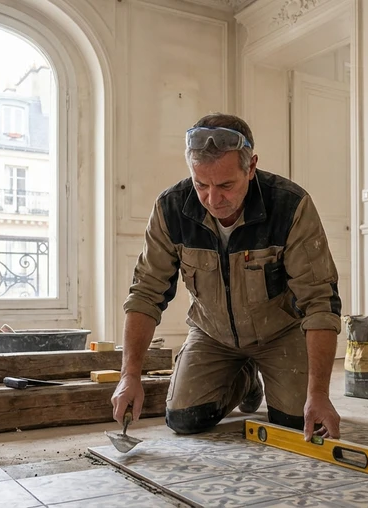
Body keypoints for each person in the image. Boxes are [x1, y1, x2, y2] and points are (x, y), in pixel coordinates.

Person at [110, 112, 343, 441]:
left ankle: (268, 376)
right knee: (184, 419)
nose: (212, 199)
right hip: (212, 335)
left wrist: (318, 394)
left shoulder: (291, 207)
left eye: (226, 186)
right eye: (200, 184)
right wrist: (129, 375)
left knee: (295, 421)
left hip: (279, 335)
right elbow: (146, 293)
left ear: (251, 167)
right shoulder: (170, 209)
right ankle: (245, 380)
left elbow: (320, 301)